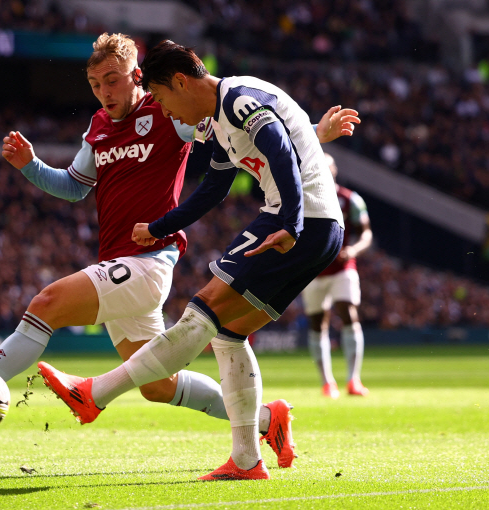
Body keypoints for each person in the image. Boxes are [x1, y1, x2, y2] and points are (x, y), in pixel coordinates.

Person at [0, 34, 357, 453]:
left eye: (112, 80)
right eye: (96, 84)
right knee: (158, 384)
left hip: (150, 262)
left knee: (48, 301)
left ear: (138, 77)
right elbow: (75, 186)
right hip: (118, 257)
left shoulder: (170, 113)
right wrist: (31, 166)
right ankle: (264, 422)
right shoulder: (97, 128)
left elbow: (246, 134)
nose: (104, 92)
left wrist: (309, 137)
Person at [38, 40, 348, 481]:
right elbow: (213, 189)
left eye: (162, 98)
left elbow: (278, 146)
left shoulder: (238, 98)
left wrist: (291, 223)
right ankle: (246, 460)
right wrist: (161, 226)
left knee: (199, 313)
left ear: (181, 82)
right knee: (227, 334)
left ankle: (97, 393)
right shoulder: (220, 121)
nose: (164, 112)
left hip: (299, 220)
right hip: (318, 227)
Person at [301, 153, 372, 398]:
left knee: (347, 311)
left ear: (334, 170)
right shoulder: (303, 198)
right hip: (312, 270)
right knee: (317, 322)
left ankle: (354, 379)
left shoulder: (350, 199)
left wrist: (353, 249)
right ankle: (327, 382)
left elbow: (366, 233)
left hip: (343, 267)